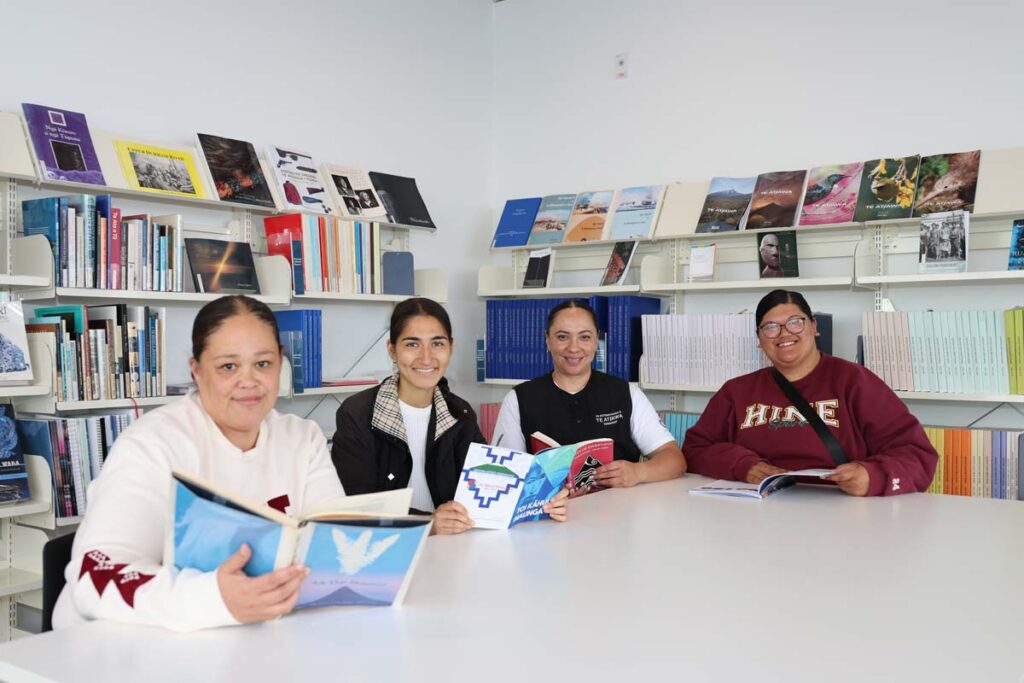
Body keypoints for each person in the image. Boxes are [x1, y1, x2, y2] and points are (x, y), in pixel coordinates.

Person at [53, 296, 345, 631]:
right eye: (228, 367)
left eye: (263, 364)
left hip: (252, 636)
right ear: (197, 370)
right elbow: (94, 576)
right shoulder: (151, 445)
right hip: (116, 646)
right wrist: (213, 597)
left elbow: (333, 544)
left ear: (280, 363)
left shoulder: (302, 438)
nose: (248, 381)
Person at [331, 297, 568, 534]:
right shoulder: (358, 414)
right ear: (392, 349)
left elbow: (491, 482)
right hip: (388, 553)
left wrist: (543, 500)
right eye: (412, 344)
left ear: (450, 347)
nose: (426, 358)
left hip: (451, 550)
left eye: (437, 344)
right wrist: (427, 523)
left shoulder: (459, 413)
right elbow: (356, 507)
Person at [684, 289, 938, 496]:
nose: (784, 334)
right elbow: (695, 449)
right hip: (758, 514)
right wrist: (742, 465)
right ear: (759, 339)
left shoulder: (855, 382)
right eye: (770, 327)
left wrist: (873, 476)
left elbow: (917, 455)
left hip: (843, 515)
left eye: (795, 322)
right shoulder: (736, 392)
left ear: (814, 326)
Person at [493, 299, 686, 490]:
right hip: (550, 514)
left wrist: (638, 472)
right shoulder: (519, 399)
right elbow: (503, 476)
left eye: (584, 337)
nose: (574, 347)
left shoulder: (626, 393)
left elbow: (674, 460)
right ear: (548, 341)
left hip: (619, 513)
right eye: (562, 337)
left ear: (596, 341)